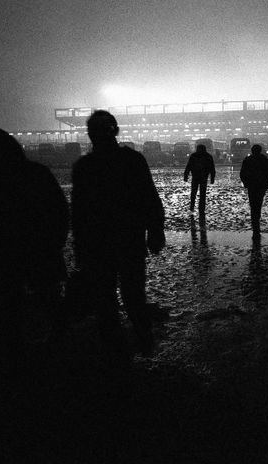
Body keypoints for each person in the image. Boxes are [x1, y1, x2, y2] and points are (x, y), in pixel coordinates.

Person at [0, 129, 69, 371]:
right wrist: (56, 243)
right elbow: (60, 210)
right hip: (41, 247)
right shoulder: (37, 172)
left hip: (9, 249)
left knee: (10, 301)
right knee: (49, 297)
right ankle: (61, 346)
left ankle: (15, 352)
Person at [71, 110, 165, 361]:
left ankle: (115, 352)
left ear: (90, 135)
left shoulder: (84, 167)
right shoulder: (132, 160)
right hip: (129, 240)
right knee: (133, 294)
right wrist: (155, 231)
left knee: (105, 299)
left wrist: (79, 251)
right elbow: (149, 197)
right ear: (116, 131)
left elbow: (78, 215)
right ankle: (145, 342)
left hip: (97, 245)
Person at [240, 144, 268, 242]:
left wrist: (245, 183)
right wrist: (267, 184)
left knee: (253, 204)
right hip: (261, 185)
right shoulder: (264, 159)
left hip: (251, 185)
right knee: (259, 203)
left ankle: (255, 223)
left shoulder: (248, 160)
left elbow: (242, 173)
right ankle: (257, 219)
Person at [183, 144, 215, 217]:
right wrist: (212, 178)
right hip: (204, 177)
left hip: (195, 177)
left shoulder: (193, 156)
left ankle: (192, 207)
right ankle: (201, 208)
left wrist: (186, 176)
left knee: (193, 193)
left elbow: (188, 166)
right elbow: (212, 168)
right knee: (202, 194)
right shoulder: (208, 156)